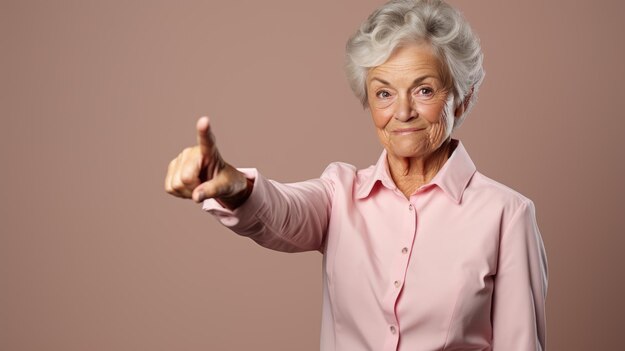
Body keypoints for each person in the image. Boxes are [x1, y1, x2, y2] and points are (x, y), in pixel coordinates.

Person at [164, 0, 548, 349]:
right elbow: (280, 211)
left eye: (424, 90)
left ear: (461, 98)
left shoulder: (507, 215)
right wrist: (234, 185)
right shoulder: (339, 193)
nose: (402, 112)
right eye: (384, 93)